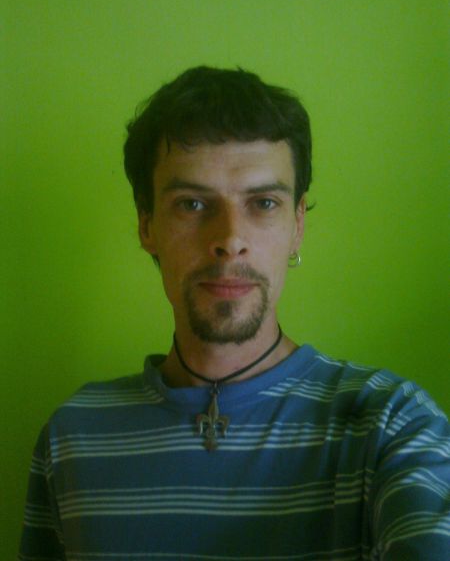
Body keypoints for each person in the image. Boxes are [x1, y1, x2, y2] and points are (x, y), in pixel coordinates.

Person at [19, 66, 449, 560]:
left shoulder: (390, 424)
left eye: (263, 202)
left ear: (298, 225)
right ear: (147, 225)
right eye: (192, 204)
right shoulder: (72, 436)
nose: (229, 239)